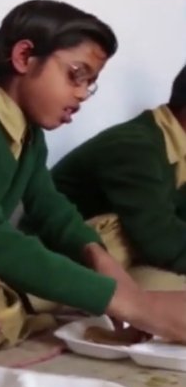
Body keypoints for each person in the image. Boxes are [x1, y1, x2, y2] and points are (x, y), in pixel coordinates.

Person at [0, 0, 186, 343]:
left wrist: (100, 259)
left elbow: (54, 212)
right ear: (24, 57)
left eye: (90, 83)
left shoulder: (31, 138)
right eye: (76, 75)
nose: (82, 94)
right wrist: (130, 304)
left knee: (114, 273)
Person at [52, 63, 186, 290]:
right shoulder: (136, 147)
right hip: (57, 263)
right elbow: (160, 240)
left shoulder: (175, 148)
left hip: (124, 259)